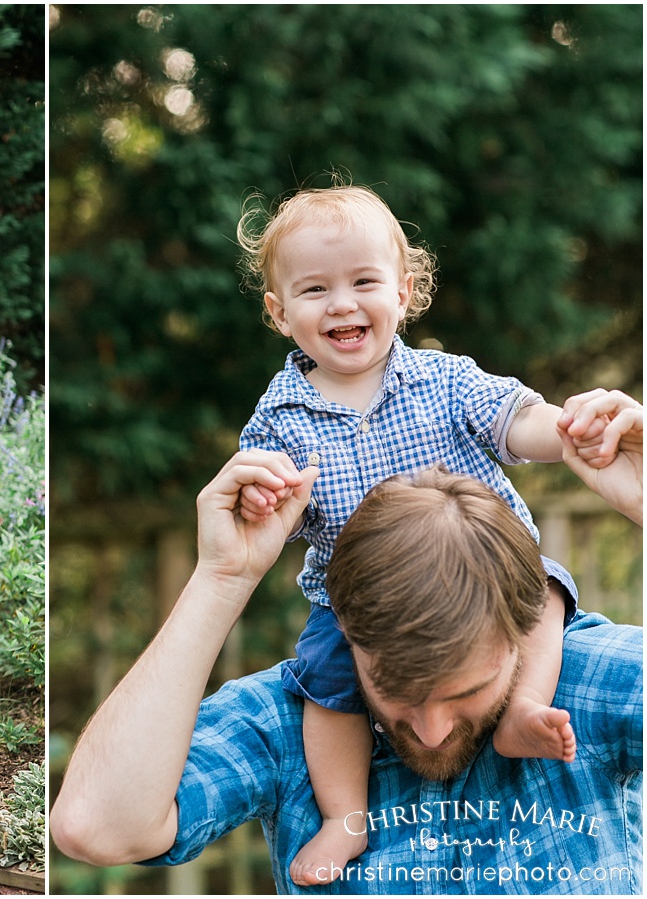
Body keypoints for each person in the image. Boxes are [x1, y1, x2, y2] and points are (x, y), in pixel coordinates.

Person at [51, 389, 643, 894]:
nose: (432, 731)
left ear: (528, 625)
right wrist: (221, 579)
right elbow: (95, 826)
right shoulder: (295, 719)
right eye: (393, 689)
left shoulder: (593, 681)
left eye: (468, 688)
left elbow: (523, 419)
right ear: (345, 637)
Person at [234, 184, 611, 883]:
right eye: (315, 290)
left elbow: (512, 420)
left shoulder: (442, 378)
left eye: (363, 282)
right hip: (360, 610)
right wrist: (260, 494)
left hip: (485, 579)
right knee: (325, 683)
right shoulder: (282, 415)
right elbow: (265, 494)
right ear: (280, 313)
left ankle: (521, 708)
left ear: (404, 293)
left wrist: (569, 430)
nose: (342, 303)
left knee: (546, 596)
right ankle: (346, 818)